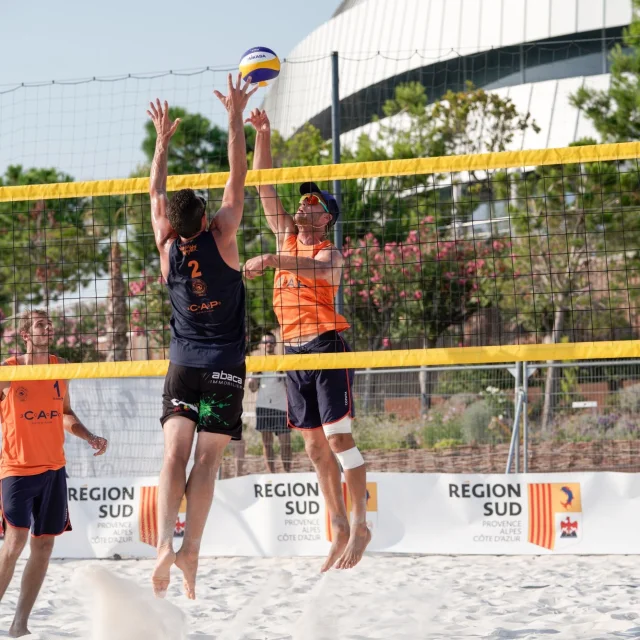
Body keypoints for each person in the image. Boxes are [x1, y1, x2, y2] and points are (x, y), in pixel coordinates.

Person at [244, 108, 370, 572]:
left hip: (325, 349)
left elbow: (321, 273)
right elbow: (262, 184)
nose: (303, 205)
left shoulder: (327, 251)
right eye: (303, 201)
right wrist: (262, 133)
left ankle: (360, 524)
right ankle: (336, 525)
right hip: (292, 353)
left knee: (339, 443)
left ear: (327, 218)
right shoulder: (286, 236)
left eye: (313, 203)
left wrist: (274, 260)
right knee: (314, 449)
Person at [148, 73, 256, 600]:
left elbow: (154, 191)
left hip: (184, 364)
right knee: (207, 460)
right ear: (208, 217)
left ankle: (166, 544)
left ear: (171, 221)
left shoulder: (166, 249)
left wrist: (161, 144)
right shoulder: (225, 236)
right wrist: (234, 117)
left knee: (173, 456)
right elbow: (239, 172)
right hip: (225, 368)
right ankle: (192, 548)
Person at [0, 309, 107, 638]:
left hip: (53, 468)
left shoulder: (60, 367)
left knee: (44, 546)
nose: (48, 328)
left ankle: (20, 624)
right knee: (15, 541)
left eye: (50, 324)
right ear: (26, 336)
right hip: (16, 468)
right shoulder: (8, 370)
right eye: (40, 325)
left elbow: (65, 413)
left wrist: (89, 435)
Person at [248, 331, 291, 473]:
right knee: (267, 444)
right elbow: (252, 388)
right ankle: (271, 476)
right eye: (266, 342)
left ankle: (287, 474)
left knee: (285, 443)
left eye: (272, 342)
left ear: (275, 344)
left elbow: (289, 385)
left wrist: (283, 375)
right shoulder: (257, 363)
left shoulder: (281, 361)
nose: (269, 344)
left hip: (281, 407)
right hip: (263, 406)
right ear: (261, 345)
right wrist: (254, 376)